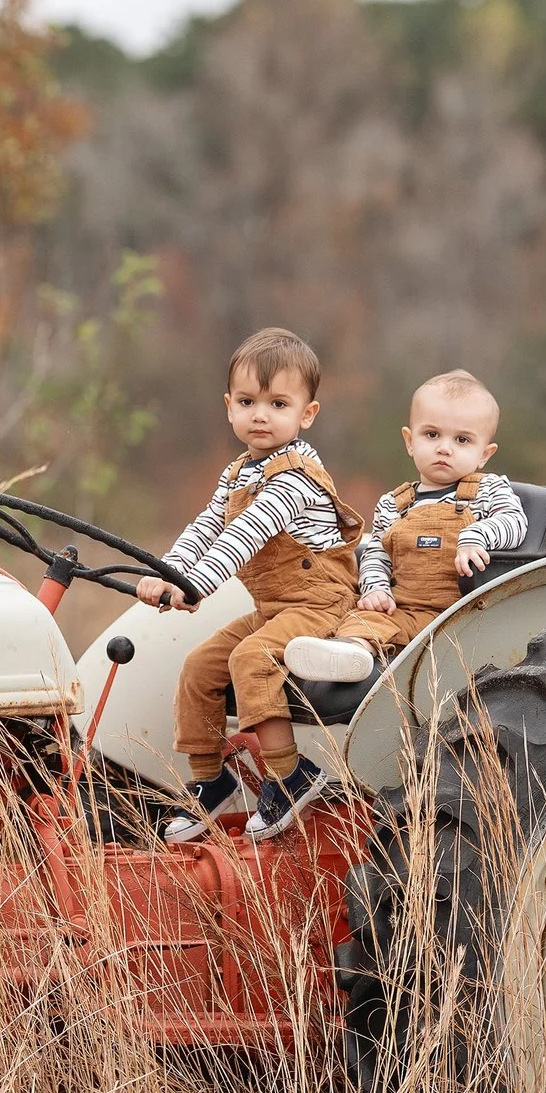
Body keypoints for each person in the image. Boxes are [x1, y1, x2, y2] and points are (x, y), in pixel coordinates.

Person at [136, 327, 363, 842]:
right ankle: (210, 781)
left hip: (320, 602)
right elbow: (206, 527)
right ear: (229, 407)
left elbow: (246, 533)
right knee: (199, 666)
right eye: (247, 401)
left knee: (251, 659)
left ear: (307, 415)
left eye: (278, 403)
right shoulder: (237, 471)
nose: (260, 414)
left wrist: (194, 587)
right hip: (274, 608)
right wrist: (165, 572)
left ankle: (290, 775)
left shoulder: (297, 477)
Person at [282, 370, 525, 685]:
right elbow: (376, 554)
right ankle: (349, 653)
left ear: (484, 454)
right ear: (410, 442)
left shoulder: (487, 489)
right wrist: (376, 589)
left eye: (462, 440)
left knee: (383, 624)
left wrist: (476, 536)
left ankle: (354, 652)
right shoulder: (395, 503)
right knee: (366, 619)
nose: (444, 448)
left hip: (463, 613)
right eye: (432, 435)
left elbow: (514, 522)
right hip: (404, 609)